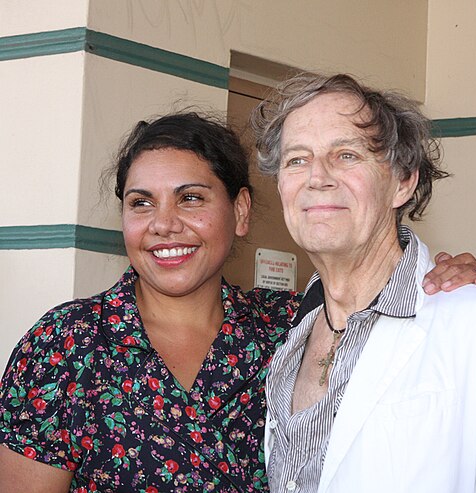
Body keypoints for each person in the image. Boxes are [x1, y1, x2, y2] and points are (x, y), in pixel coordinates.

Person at [252, 73, 476, 492]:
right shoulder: (285, 333)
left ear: (403, 181)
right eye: (297, 159)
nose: (317, 177)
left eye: (346, 155)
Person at [0, 113, 303, 492]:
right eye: (141, 203)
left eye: (190, 198)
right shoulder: (66, 343)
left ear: (240, 211)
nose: (164, 224)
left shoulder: (290, 328)